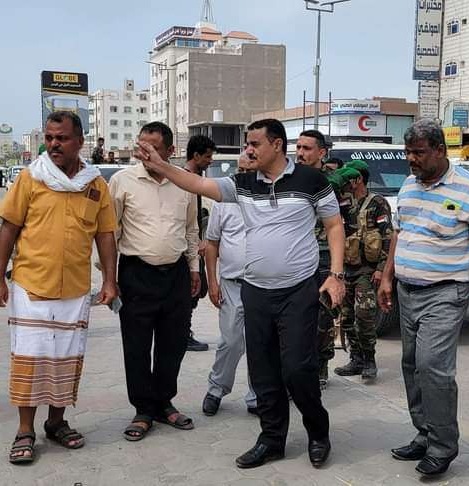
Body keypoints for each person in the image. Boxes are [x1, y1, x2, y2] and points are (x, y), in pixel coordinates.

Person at [133, 118, 345, 470]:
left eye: (254, 144)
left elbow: (334, 224)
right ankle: (272, 439)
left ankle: (318, 433)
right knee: (263, 373)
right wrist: (160, 164)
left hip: (298, 291)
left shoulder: (311, 180)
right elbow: (198, 183)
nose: (248, 150)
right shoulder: (243, 184)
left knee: (298, 369)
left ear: (277, 145)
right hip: (256, 291)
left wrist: (336, 275)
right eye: (247, 143)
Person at [0, 111, 117, 464]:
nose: (54, 144)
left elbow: (106, 235)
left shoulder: (95, 185)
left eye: (62, 138)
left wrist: (110, 280)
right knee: (30, 360)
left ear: (80, 142)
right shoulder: (31, 178)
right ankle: (24, 430)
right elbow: (8, 230)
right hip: (30, 286)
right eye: (49, 138)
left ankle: (56, 423)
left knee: (65, 360)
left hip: (75, 290)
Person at [377, 119, 469, 476]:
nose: (411, 159)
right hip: (407, 290)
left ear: (440, 150)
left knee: (433, 366)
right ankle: (425, 433)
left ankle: (443, 446)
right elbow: (399, 234)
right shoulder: (408, 185)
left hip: (446, 291)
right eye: (408, 152)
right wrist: (387, 277)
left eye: (418, 152)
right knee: (411, 365)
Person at [109, 121, 200, 442]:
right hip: (136, 274)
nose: (144, 153)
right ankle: (143, 409)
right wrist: (108, 279)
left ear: (170, 151)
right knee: (136, 345)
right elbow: (109, 233)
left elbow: (191, 229)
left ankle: (164, 403)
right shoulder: (122, 181)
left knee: (173, 343)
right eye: (141, 146)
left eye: (153, 148)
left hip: (176, 274)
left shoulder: (184, 183)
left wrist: (194, 268)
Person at [201, 152, 258, 417]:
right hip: (232, 284)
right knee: (231, 342)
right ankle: (216, 389)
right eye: (241, 170)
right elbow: (212, 243)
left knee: (260, 342)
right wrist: (212, 282)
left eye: (250, 170)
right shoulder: (223, 201)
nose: (244, 175)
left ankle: (258, 395)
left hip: (263, 286)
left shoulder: (270, 198)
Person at [331, 160, 392, 382]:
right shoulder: (342, 202)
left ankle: (369, 360)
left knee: (364, 316)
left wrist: (381, 270)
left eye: (348, 178)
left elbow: (387, 237)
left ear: (358, 180)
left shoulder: (377, 203)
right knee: (347, 317)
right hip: (346, 270)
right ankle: (356, 359)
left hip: (367, 271)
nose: (345, 182)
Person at [295, 128, 340, 389]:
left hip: (324, 257)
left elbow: (345, 224)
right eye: (298, 148)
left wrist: (338, 269)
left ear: (321, 152)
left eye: (307, 148)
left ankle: (320, 366)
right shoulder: (290, 178)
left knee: (322, 316)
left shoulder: (335, 183)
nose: (300, 153)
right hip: (297, 259)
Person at [184, 134, 218, 353]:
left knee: (197, 289)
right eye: (207, 156)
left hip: (195, 243)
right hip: (185, 247)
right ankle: (182, 333)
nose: (210, 161)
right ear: (196, 156)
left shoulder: (196, 180)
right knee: (190, 290)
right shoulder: (184, 180)